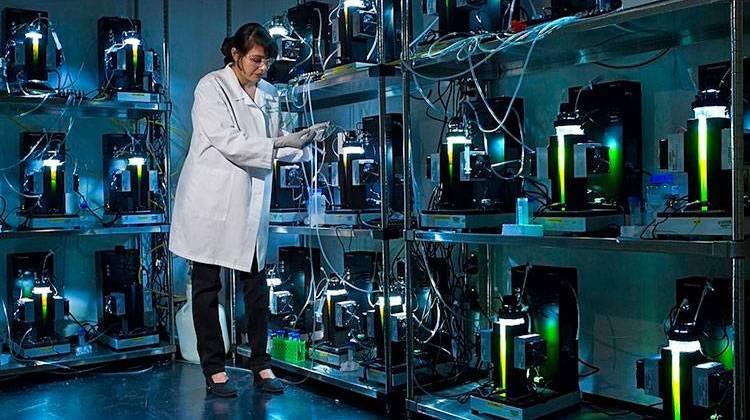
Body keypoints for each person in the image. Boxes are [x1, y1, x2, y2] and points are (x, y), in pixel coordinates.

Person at [170, 23, 329, 398]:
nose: (262, 68)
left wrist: (304, 143)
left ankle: (261, 364)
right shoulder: (211, 87)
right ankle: (214, 371)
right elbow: (231, 142)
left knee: (255, 287)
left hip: (250, 204)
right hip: (210, 202)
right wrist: (278, 144)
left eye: (267, 62)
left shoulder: (270, 94)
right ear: (236, 55)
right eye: (256, 60)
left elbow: (279, 144)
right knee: (207, 287)